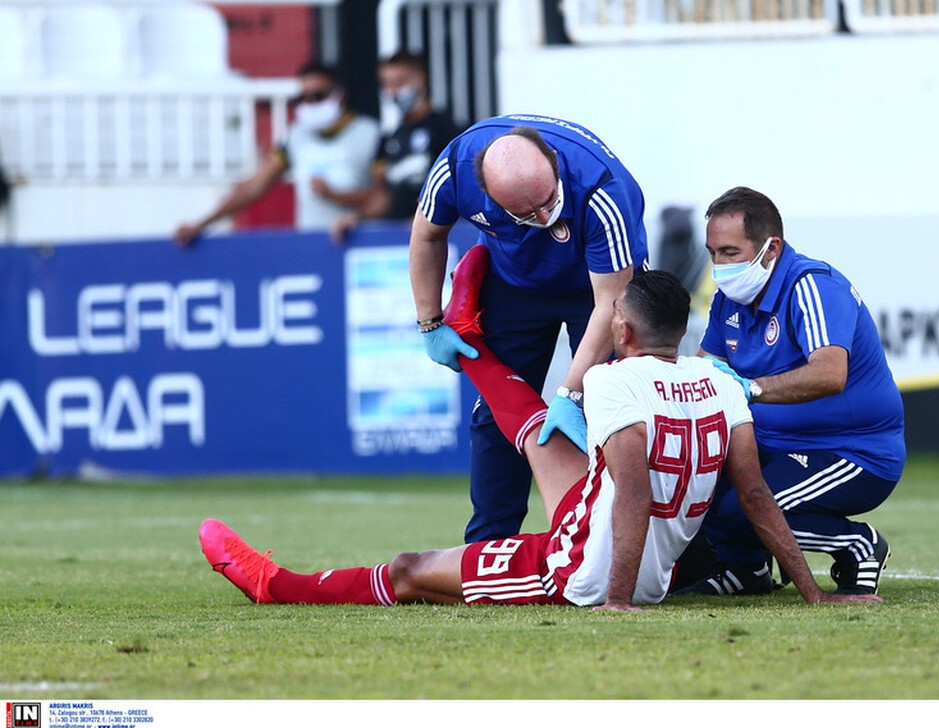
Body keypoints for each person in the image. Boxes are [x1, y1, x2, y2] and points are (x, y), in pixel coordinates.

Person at [199, 259, 882, 610]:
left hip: (580, 568)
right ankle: (467, 339)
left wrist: (616, 600)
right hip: (634, 547)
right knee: (538, 434)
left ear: (622, 329)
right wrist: (812, 593)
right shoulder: (720, 381)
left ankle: (276, 585)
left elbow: (634, 494)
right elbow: (757, 496)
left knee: (409, 569)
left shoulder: (612, 379)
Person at [410, 114, 649, 544]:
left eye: (548, 201)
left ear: (554, 162)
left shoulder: (602, 191)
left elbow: (611, 306)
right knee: (497, 415)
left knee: (616, 409)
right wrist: (429, 322)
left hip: (599, 287)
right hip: (515, 283)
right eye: (525, 213)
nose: (542, 217)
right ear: (485, 194)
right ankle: (487, 546)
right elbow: (427, 235)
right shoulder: (454, 169)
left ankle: (629, 544)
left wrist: (571, 393)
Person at [676, 186, 905, 596]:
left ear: (771, 249)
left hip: (852, 452)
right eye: (712, 253)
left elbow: (829, 374)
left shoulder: (812, 287)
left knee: (748, 507)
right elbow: (706, 367)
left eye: (730, 252)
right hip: (772, 444)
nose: (718, 266)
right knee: (690, 476)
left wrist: (752, 389)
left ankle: (857, 544)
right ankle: (745, 569)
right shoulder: (729, 299)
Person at [173, 62, 379, 246]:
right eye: (303, 98)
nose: (310, 104)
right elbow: (255, 186)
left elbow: (384, 198)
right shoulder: (296, 136)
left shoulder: (370, 134)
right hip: (311, 243)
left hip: (360, 242)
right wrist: (202, 223)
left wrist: (334, 195)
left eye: (318, 96)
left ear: (340, 96)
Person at [329, 50, 461, 241]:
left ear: (421, 80)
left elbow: (460, 187)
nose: (392, 91)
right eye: (386, 84)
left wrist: (426, 220)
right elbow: (385, 196)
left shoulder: (446, 130)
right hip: (398, 239)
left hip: (439, 237)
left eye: (399, 82)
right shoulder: (390, 137)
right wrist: (357, 217)